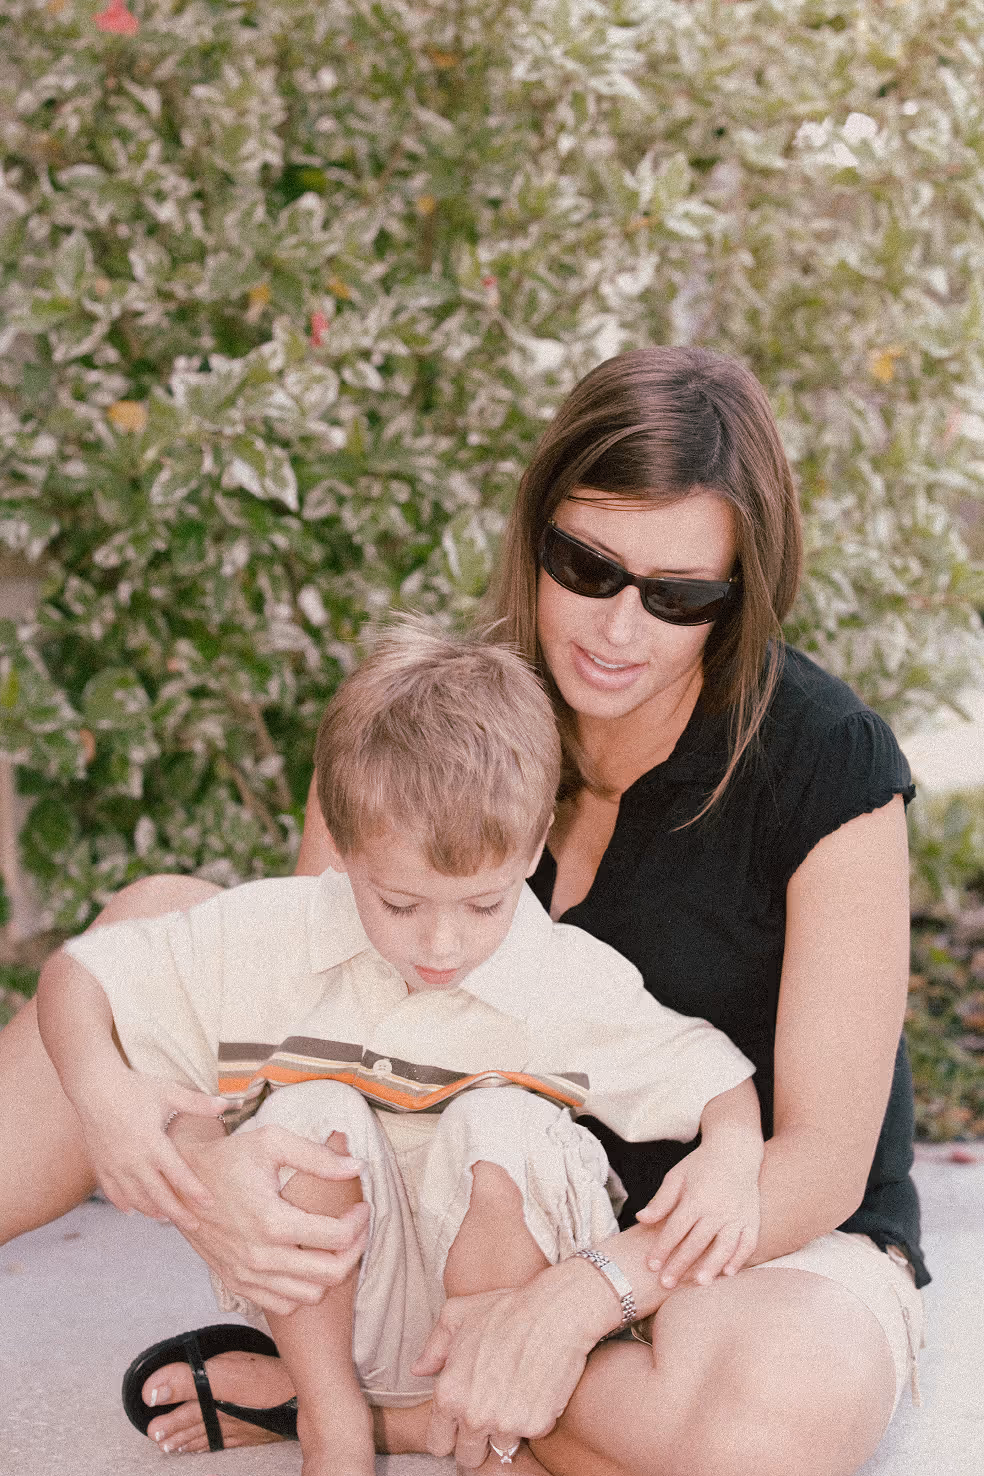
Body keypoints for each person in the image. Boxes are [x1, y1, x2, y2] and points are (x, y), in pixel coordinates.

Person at [0, 345, 925, 1476]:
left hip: (727, 1249)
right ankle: (453, 1398)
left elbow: (823, 1160)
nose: (618, 630)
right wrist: (197, 1158)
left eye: (678, 595)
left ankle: (367, 1412)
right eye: (587, 566)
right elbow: (314, 1009)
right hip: (442, 1211)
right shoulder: (431, 721)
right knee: (143, 931)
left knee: (764, 1421)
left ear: (739, 594)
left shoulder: (829, 765)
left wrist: (586, 1294)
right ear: (535, 528)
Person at [33, 618, 764, 1476]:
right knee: (311, 1115)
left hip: (504, 1320)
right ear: (344, 850)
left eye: (484, 905)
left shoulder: (564, 980)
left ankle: (474, 1428)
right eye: (403, 905)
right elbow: (78, 975)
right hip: (338, 1306)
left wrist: (732, 1155)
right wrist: (103, 1097)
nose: (443, 946)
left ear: (532, 850)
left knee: (505, 1126)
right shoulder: (275, 934)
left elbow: (715, 1077)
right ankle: (332, 1418)